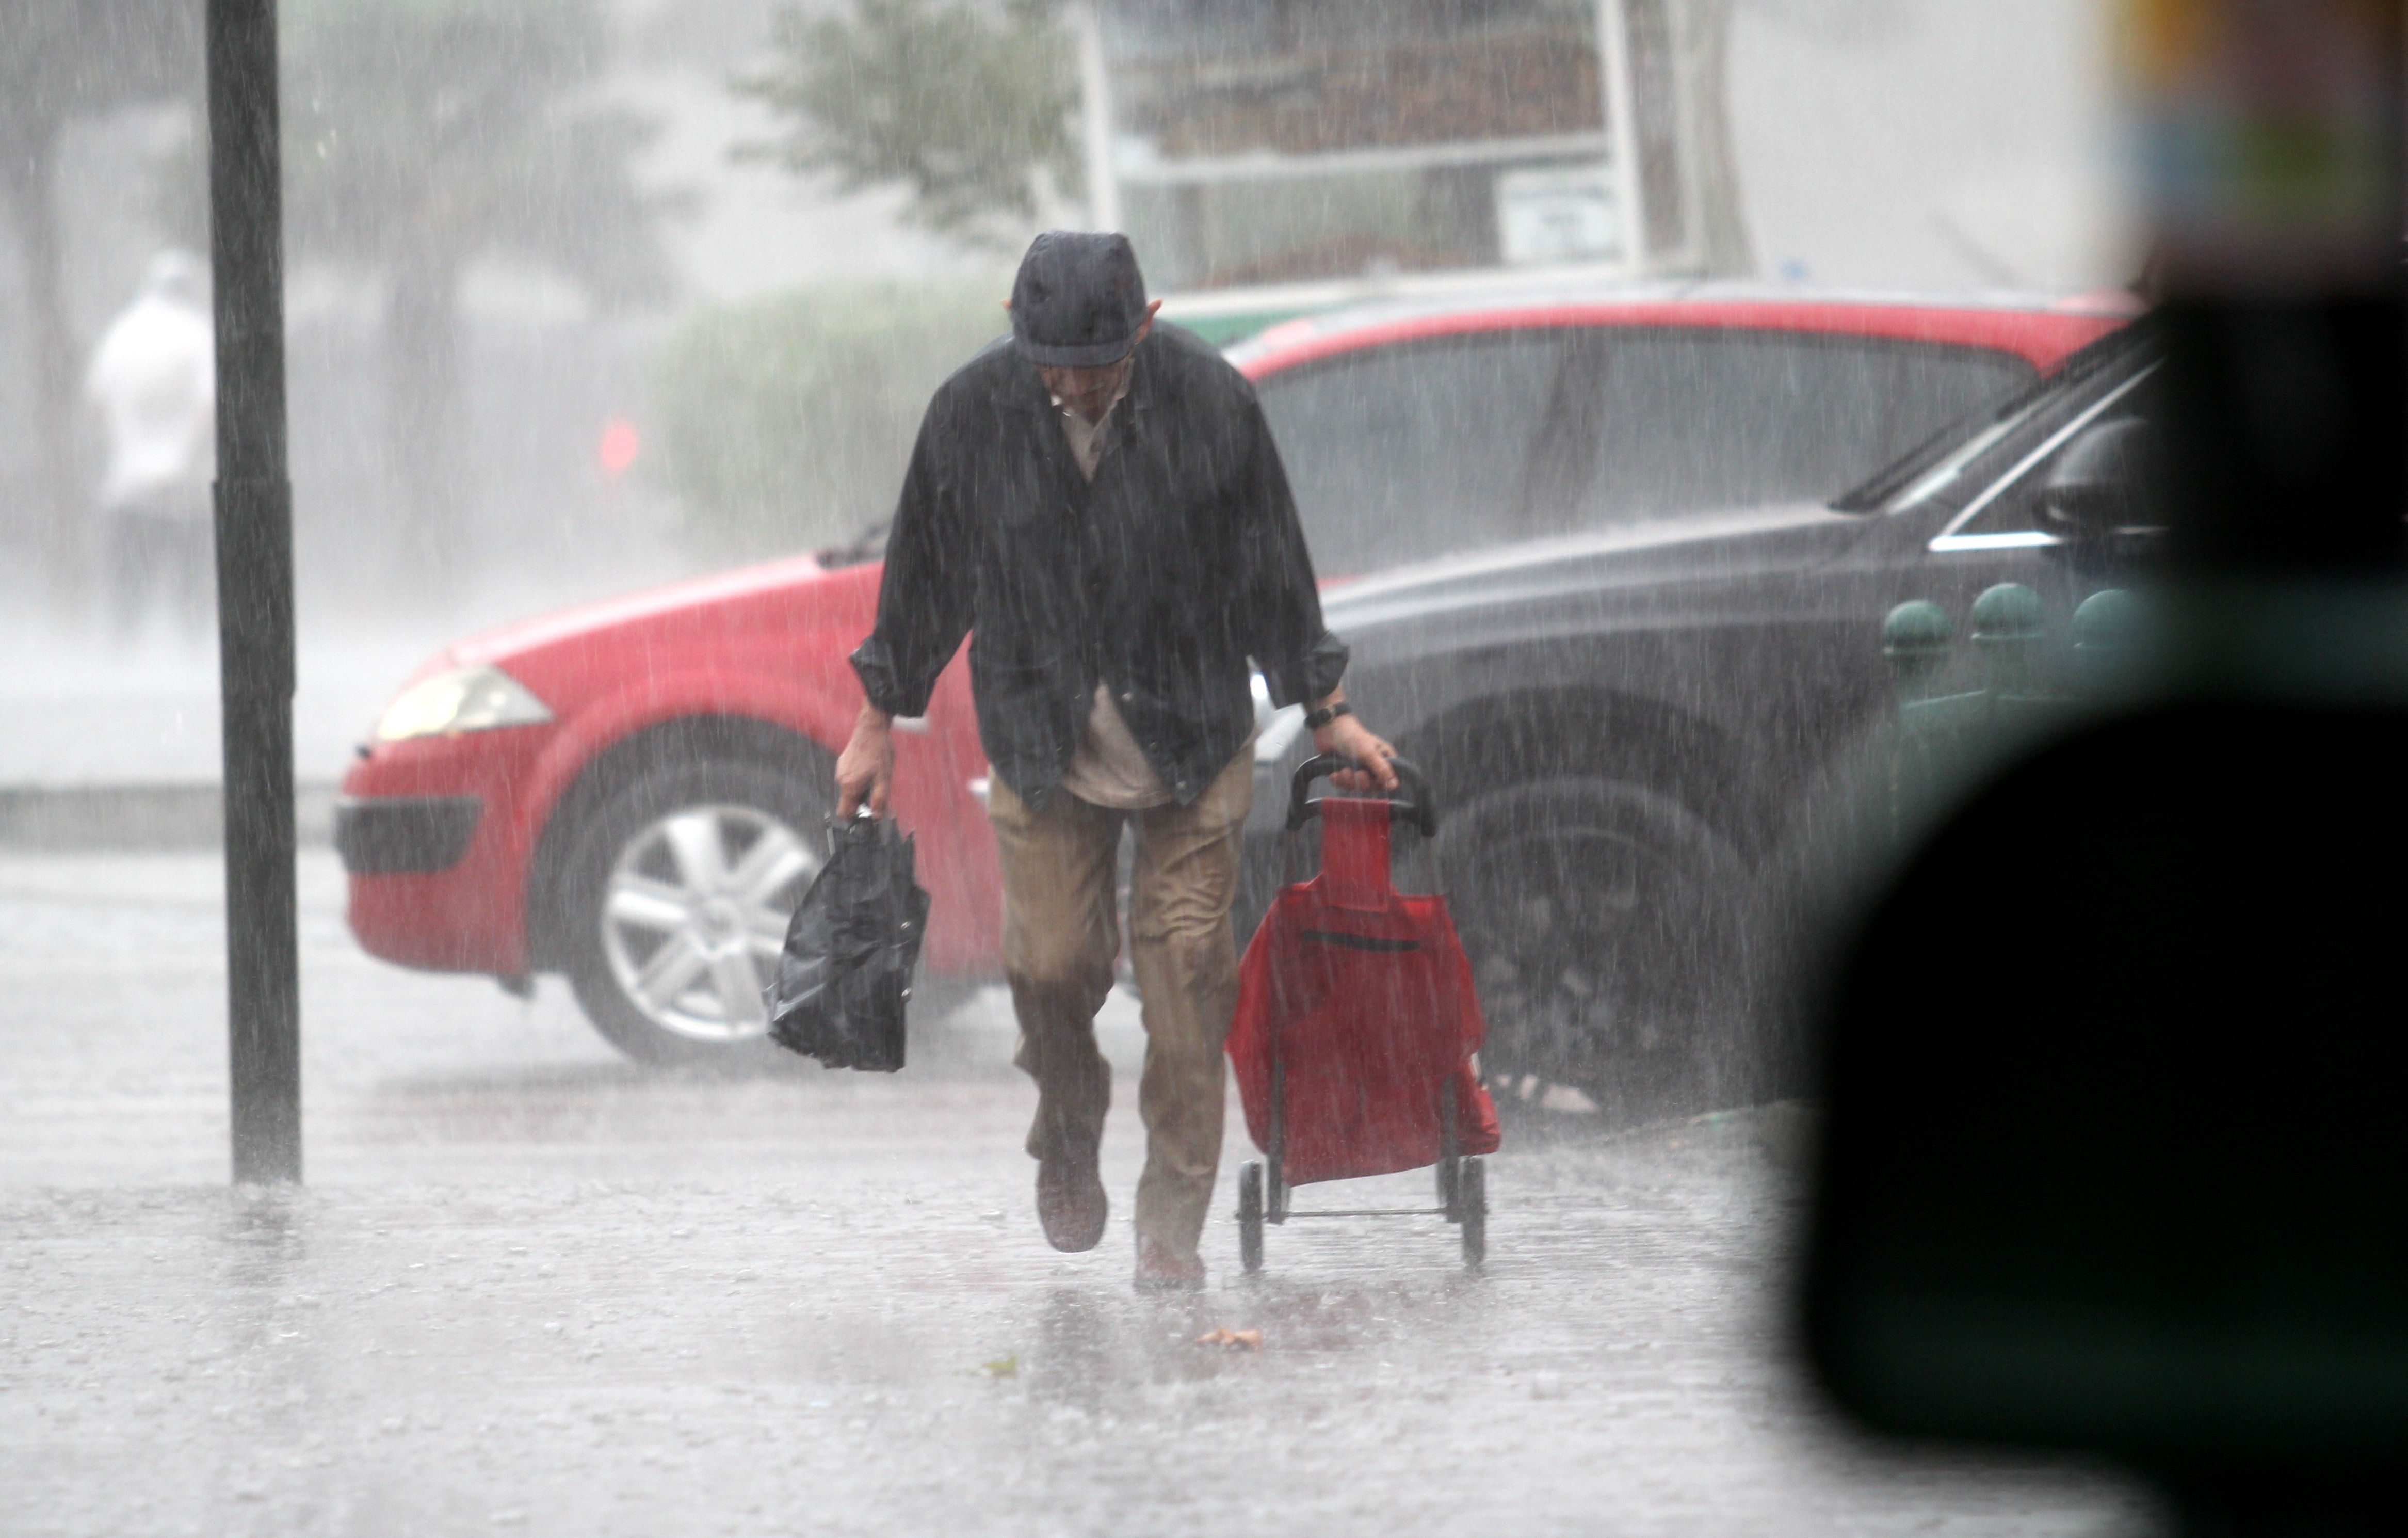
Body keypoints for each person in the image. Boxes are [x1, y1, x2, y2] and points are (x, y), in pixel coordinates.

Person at [838, 232, 1397, 1290]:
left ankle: (1169, 1227)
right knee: (1050, 967)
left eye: (1097, 363)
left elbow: (1273, 567)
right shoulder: (972, 413)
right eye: (1052, 361)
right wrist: (877, 719)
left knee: (1186, 976)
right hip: (1041, 738)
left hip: (1189, 733)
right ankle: (1066, 1127)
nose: (1075, 383)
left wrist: (1326, 707)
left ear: (1143, 327)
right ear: (1016, 323)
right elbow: (922, 574)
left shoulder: (1211, 404)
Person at [85, 250, 217, 642]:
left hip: (128, 483)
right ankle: (194, 649)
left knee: (130, 576)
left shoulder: (123, 332)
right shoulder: (198, 332)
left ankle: (123, 650)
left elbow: (95, 397)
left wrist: (123, 445)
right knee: (190, 577)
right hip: (186, 484)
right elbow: (208, 403)